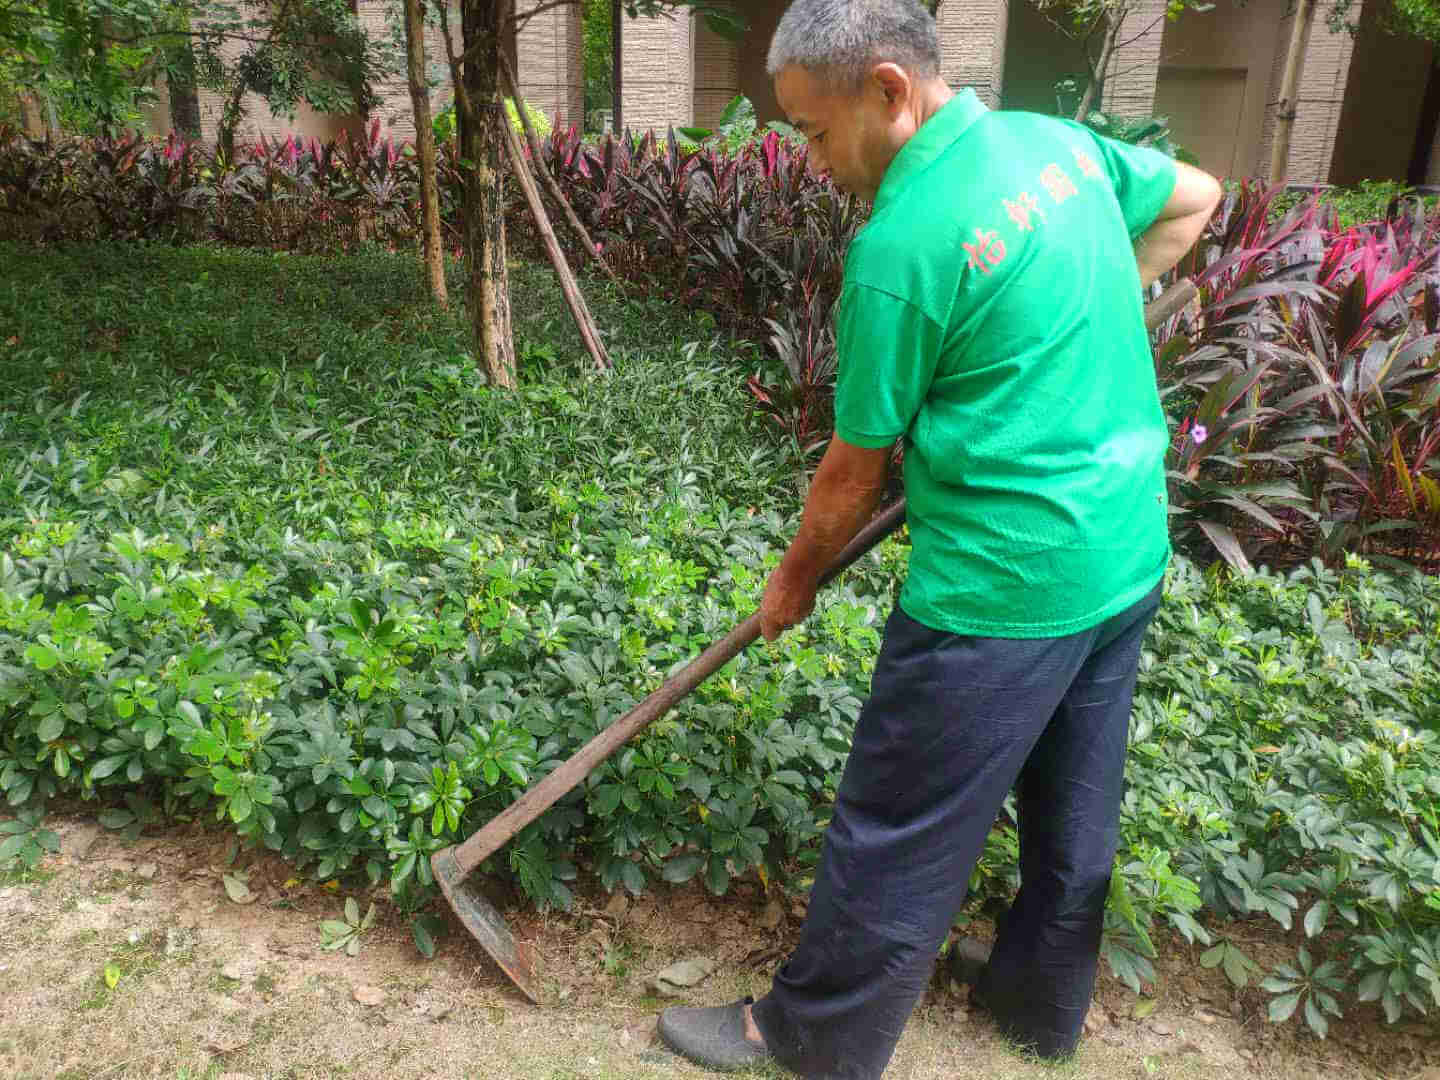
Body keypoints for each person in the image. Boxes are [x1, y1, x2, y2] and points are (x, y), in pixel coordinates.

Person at [655, 1, 1223, 1077]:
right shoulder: (1055, 144)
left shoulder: (901, 248)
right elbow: (1195, 197)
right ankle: (1035, 1005)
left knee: (897, 820)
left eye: (815, 133)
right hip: (1121, 547)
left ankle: (809, 1037)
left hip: (1001, 587)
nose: (812, 162)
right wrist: (1057, 326)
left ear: (887, 91)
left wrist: (792, 585)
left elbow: (852, 473)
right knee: (1073, 809)